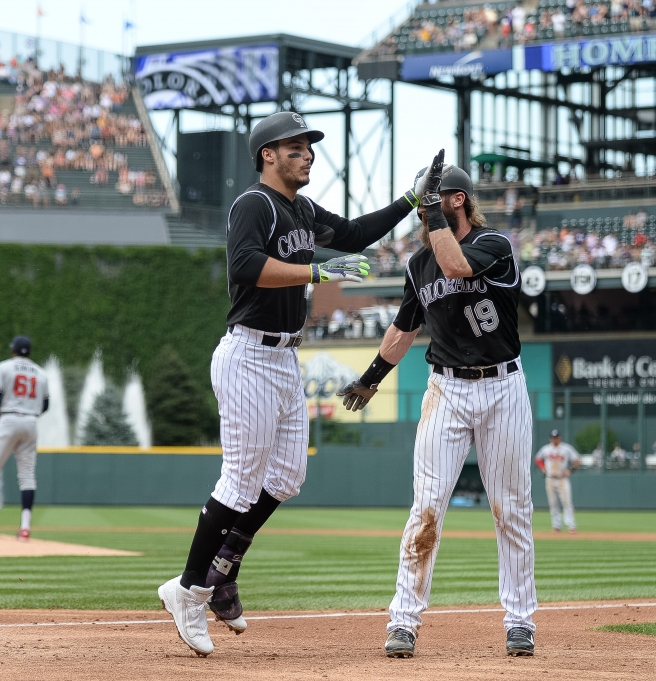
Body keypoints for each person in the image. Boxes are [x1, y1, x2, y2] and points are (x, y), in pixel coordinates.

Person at [157, 111, 420, 658]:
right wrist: (317, 272)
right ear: (266, 155)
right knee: (239, 481)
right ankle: (188, 589)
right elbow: (245, 265)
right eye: (295, 147)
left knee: (287, 476)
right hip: (248, 351)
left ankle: (223, 569)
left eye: (308, 147)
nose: (307, 155)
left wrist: (409, 202)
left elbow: (351, 234)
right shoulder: (254, 204)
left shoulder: (299, 207)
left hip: (282, 358)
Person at [337, 151, 536, 659]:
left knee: (510, 507)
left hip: (501, 388)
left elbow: (458, 264)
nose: (423, 211)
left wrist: (430, 209)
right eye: (423, 202)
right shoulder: (417, 263)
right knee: (426, 507)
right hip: (446, 389)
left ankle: (520, 621)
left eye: (435, 199)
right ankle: (402, 620)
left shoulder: (495, 244)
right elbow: (405, 329)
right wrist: (372, 378)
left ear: (458, 201)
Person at [0, 336, 49, 541]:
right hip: (31, 423)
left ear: (13, 350)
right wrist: (29, 412)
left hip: (9, 418)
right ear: (29, 352)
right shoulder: (41, 373)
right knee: (27, 476)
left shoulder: (4, 367)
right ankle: (24, 529)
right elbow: (46, 405)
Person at [535, 430, 580, 533]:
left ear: (560, 438)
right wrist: (542, 468)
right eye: (553, 437)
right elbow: (537, 459)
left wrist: (570, 470)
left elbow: (577, 460)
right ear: (550, 438)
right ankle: (556, 526)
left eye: (556, 437)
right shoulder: (546, 449)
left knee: (567, 503)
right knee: (553, 504)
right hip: (550, 479)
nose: (555, 439)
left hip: (562, 479)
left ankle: (571, 526)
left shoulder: (566, 448)